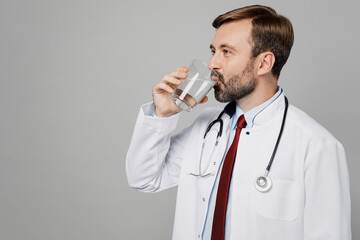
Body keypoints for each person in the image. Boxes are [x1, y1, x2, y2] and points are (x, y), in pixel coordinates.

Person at [126, 5, 351, 240]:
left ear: (263, 63)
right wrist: (162, 115)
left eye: (226, 52)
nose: (212, 63)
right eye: (213, 50)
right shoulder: (205, 126)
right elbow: (144, 178)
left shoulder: (317, 146)